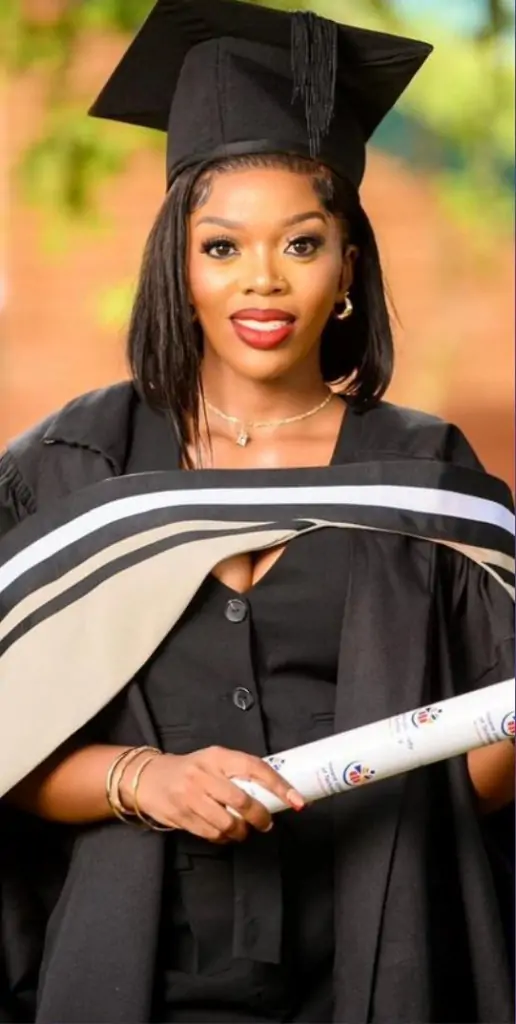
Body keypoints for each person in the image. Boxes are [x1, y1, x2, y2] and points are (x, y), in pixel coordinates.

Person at [0, 0, 514, 1021]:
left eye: (303, 243)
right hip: (125, 968)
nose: (263, 282)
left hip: (375, 963)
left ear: (349, 266)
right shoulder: (72, 469)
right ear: (179, 264)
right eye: (223, 247)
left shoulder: (423, 475)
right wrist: (138, 777)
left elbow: (484, 775)